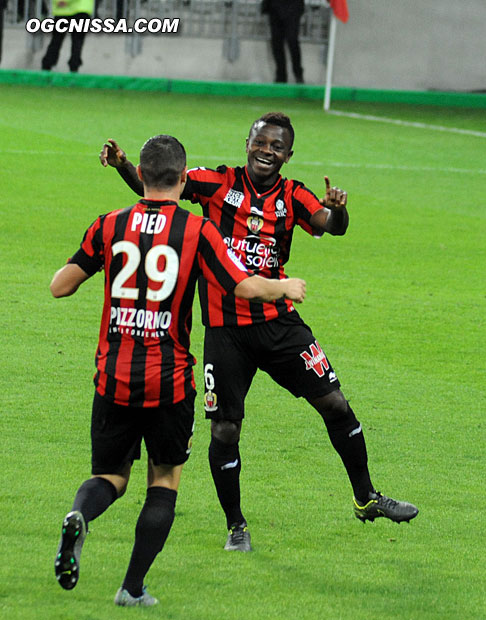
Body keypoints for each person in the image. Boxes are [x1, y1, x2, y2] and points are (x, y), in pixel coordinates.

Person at [99, 113, 418, 553]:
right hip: (226, 333)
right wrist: (122, 166)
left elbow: (330, 225)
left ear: (289, 154)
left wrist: (340, 210)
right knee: (225, 431)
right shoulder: (215, 182)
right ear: (246, 143)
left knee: (336, 404)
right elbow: (158, 187)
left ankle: (366, 498)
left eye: (277, 146)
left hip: (279, 324)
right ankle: (236, 526)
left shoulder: (293, 195)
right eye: (260, 141)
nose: (267, 150)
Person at [51, 135, 306, 606]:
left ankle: (80, 516)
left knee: (110, 477)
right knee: (164, 479)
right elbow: (243, 286)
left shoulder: (108, 225)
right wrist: (283, 285)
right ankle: (131, 588)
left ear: (142, 176)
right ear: (184, 179)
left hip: (113, 375)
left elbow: (59, 287)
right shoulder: (196, 230)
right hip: (167, 379)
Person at [41, 0, 93, 73]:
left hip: (62, 9)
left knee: (56, 40)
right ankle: (74, 68)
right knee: (77, 41)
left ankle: (47, 66)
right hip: (81, 8)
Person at [264, 0, 305, 83]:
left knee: (292, 40)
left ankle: (298, 74)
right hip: (274, 7)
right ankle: (281, 76)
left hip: (293, 6)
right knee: (277, 43)